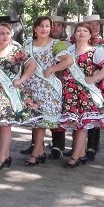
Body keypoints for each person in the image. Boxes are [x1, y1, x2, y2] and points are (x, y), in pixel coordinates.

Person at [59, 22, 104, 168]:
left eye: (85, 31)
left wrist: (94, 78)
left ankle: (75, 157)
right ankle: (81, 154)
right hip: (70, 92)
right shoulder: (69, 50)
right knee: (76, 124)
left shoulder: (95, 51)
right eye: (79, 31)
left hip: (84, 92)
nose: (81, 33)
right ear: (74, 34)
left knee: (81, 125)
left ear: (90, 35)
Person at [0, 17, 37, 171]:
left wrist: (22, 79)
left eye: (8, 33)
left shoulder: (16, 50)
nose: (5, 36)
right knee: (1, 126)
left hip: (9, 93)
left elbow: (32, 64)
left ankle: (1, 157)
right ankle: (6, 155)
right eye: (2, 33)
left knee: (5, 125)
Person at [20, 16, 73, 165]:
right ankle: (40, 151)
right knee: (36, 122)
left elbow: (68, 60)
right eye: (41, 26)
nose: (45, 29)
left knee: (42, 121)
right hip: (30, 87)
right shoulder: (27, 44)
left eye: (47, 26)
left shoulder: (56, 44)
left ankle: (36, 154)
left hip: (47, 89)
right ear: (35, 29)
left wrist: (52, 68)